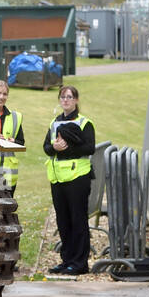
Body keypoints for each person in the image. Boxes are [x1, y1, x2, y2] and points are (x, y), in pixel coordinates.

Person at [43, 84, 96, 275]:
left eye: (69, 97)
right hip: (57, 178)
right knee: (63, 221)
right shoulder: (54, 123)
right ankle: (66, 260)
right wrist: (54, 149)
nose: (66, 100)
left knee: (78, 219)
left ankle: (80, 263)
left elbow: (89, 148)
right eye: (63, 97)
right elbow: (46, 148)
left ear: (76, 100)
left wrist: (67, 148)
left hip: (77, 177)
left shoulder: (84, 123)